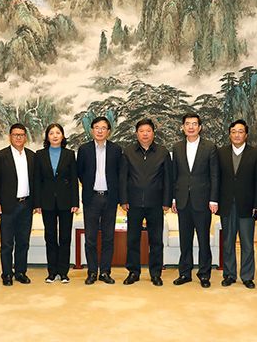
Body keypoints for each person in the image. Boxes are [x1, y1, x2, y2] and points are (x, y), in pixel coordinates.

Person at [120, 118, 172, 286]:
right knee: (132, 240)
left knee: (156, 241)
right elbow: (123, 178)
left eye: (148, 131)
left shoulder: (162, 152)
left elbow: (168, 179)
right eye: (141, 131)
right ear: (136, 133)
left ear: (153, 133)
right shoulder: (128, 152)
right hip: (133, 203)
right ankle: (133, 272)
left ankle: (155, 273)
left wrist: (166, 201)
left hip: (156, 203)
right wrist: (124, 199)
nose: (145, 134)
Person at [172, 113, 220, 288]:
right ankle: (185, 273)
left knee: (203, 240)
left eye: (194, 124)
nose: (191, 127)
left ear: (200, 127)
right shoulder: (177, 147)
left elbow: (214, 175)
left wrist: (213, 199)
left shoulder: (210, 147)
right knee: (185, 240)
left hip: (203, 201)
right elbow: (175, 175)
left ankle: (204, 274)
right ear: (183, 127)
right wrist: (174, 198)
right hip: (183, 200)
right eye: (187, 124)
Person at [217, 120, 257, 289]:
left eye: (240, 131)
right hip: (226, 204)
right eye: (234, 132)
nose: (237, 135)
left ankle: (247, 276)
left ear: (246, 135)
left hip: (247, 205)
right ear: (230, 134)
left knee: (247, 243)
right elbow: (216, 179)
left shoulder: (256, 153)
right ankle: (229, 274)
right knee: (228, 242)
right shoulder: (221, 152)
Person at [77, 116, 123, 285]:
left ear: (108, 131)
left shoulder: (116, 149)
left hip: (110, 198)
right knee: (90, 238)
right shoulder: (84, 149)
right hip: (91, 198)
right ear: (92, 130)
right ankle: (91, 272)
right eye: (97, 127)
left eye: (103, 128)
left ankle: (105, 272)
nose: (100, 130)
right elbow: (80, 173)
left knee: (108, 238)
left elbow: (120, 173)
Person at [34, 123, 79, 283]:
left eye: (58, 133)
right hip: (46, 202)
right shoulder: (39, 155)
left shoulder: (69, 154)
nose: (55, 136)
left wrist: (75, 202)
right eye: (51, 133)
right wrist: (37, 203)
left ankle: (64, 272)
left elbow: (74, 180)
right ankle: (52, 272)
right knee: (50, 237)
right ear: (47, 137)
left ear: (62, 136)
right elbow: (37, 181)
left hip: (66, 202)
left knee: (65, 237)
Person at [0, 124, 36, 286]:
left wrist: (36, 203)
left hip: (26, 204)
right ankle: (7, 274)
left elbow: (36, 182)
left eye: (21, 135)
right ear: (10, 136)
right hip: (7, 205)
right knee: (7, 243)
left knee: (23, 241)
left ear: (26, 137)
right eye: (15, 135)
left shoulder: (32, 156)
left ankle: (20, 272)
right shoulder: (0, 156)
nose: (18, 137)